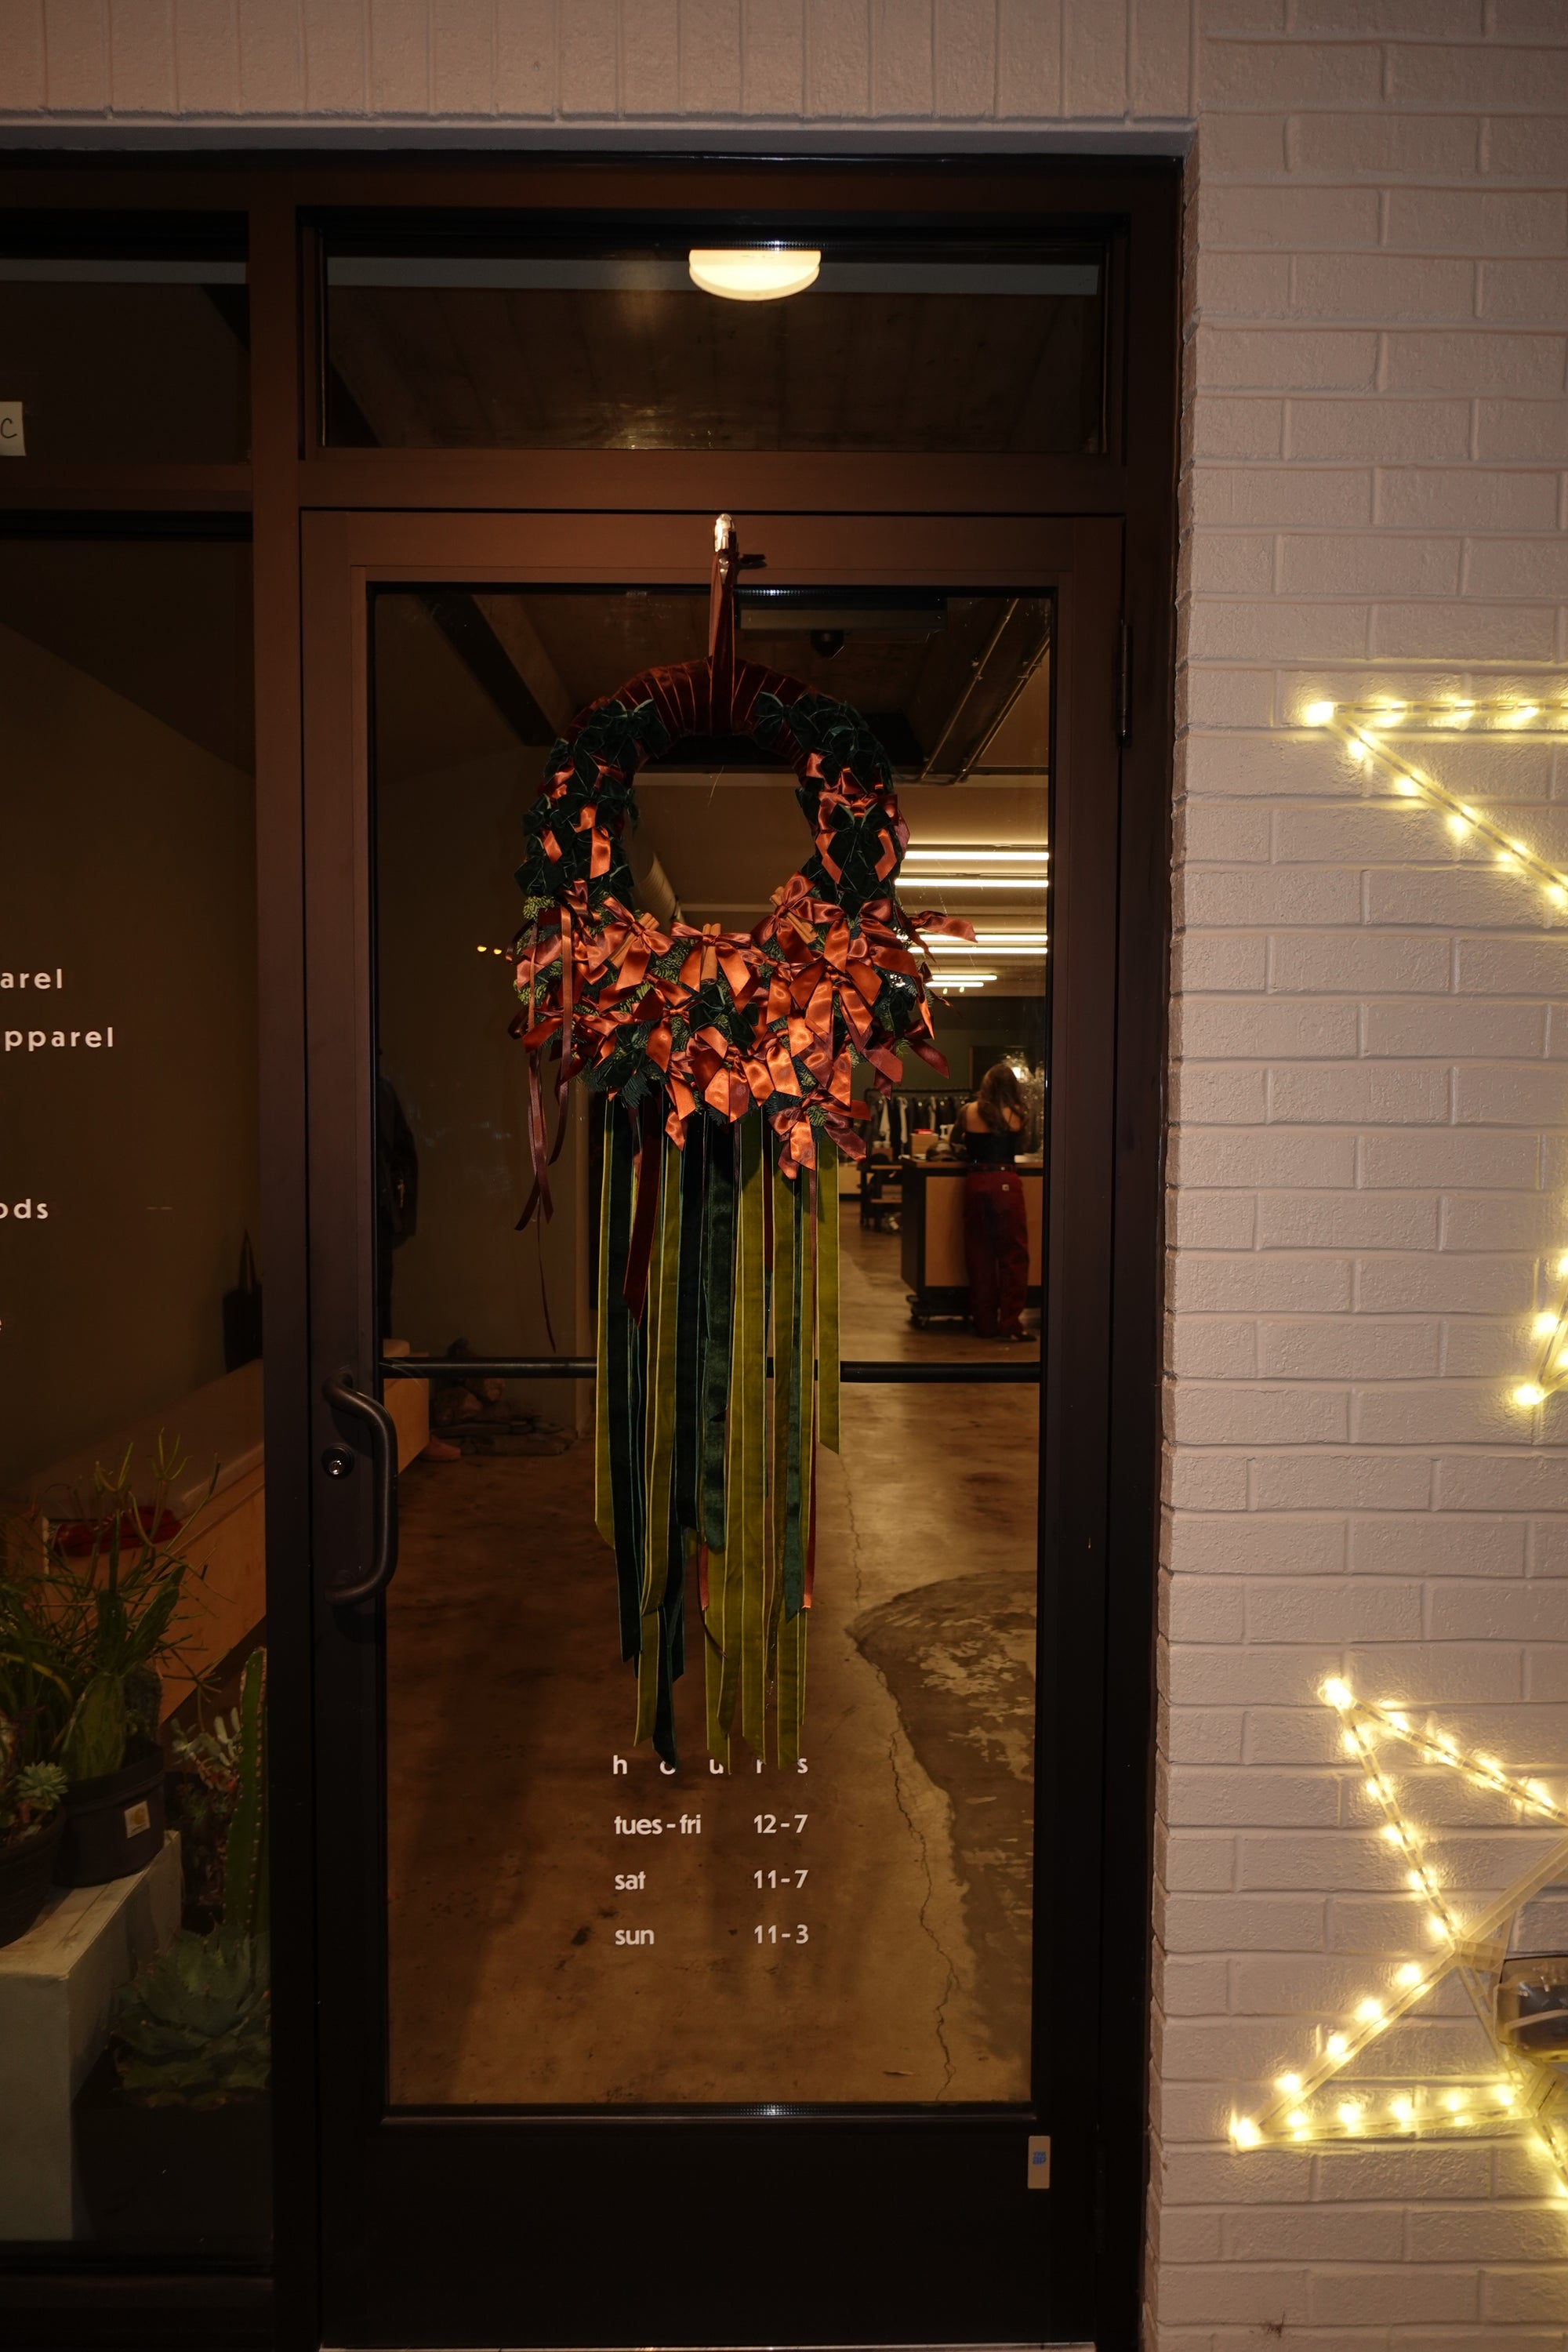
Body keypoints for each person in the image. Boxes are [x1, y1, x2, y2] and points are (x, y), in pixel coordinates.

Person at [956, 1062, 1029, 1341]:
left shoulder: (968, 1111)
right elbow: (1023, 1146)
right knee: (1014, 1255)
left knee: (979, 1254)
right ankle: (1010, 1324)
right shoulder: (1017, 1114)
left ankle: (984, 1324)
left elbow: (955, 1141)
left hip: (976, 1182)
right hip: (1005, 1182)